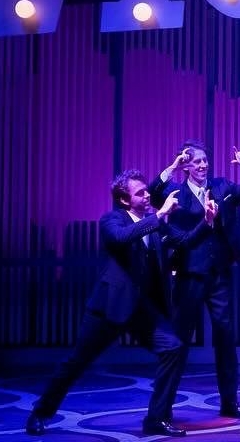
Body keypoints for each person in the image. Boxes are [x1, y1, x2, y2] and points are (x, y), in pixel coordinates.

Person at [26, 170, 189, 437]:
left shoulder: (154, 224)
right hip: (110, 307)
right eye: (140, 193)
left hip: (140, 309)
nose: (148, 195)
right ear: (125, 200)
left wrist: (207, 222)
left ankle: (156, 418)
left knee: (173, 348)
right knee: (76, 363)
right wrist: (159, 216)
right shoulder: (112, 219)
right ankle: (40, 413)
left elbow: (184, 241)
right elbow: (121, 238)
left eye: (147, 190)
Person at [153, 140, 240, 419]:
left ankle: (230, 402)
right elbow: (155, 195)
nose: (202, 165)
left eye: (204, 160)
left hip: (219, 274)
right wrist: (171, 167)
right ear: (186, 166)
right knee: (179, 342)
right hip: (189, 274)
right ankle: (163, 410)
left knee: (226, 339)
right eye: (195, 162)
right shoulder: (176, 192)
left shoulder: (223, 187)